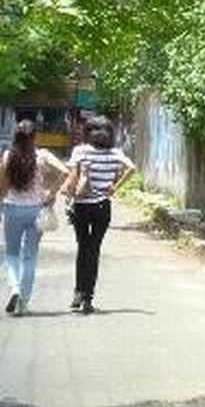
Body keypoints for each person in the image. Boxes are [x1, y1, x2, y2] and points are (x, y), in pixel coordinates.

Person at [62, 115, 135, 314]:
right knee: (94, 250)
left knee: (82, 248)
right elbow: (131, 168)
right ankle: (88, 298)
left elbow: (71, 175)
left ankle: (78, 291)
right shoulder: (115, 153)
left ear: (88, 132)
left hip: (81, 206)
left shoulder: (80, 151)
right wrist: (115, 187)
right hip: (103, 207)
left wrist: (67, 195)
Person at [1, 121, 68, 316]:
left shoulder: (8, 155)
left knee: (12, 254)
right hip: (37, 210)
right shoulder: (43, 155)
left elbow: (2, 185)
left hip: (12, 209)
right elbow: (65, 172)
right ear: (35, 137)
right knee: (29, 257)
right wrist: (51, 193)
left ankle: (14, 288)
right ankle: (23, 302)